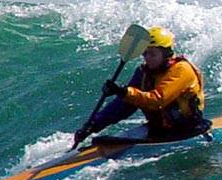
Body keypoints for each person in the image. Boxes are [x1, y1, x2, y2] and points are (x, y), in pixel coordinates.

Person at [73, 26, 207, 146]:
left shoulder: (181, 70)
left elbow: (157, 100)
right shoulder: (143, 73)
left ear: (166, 53)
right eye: (145, 53)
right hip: (159, 130)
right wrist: (93, 125)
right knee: (104, 140)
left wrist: (123, 91)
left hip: (187, 130)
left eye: (152, 54)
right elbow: (124, 105)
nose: (147, 58)